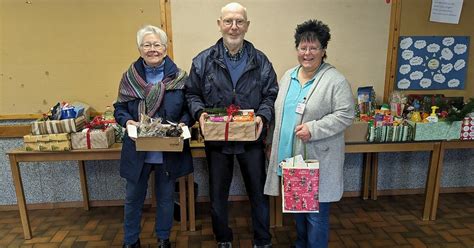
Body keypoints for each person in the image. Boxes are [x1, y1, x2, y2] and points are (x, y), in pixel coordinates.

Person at [185, 2, 278, 248]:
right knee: (217, 195)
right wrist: (200, 114)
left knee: (258, 193)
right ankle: (223, 238)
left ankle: (262, 239)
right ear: (220, 24)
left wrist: (263, 117)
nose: (233, 27)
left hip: (252, 139)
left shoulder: (261, 61)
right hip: (217, 140)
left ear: (247, 26)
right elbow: (192, 94)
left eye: (239, 22)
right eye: (228, 21)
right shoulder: (203, 61)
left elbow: (270, 94)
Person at [264, 19, 355, 248]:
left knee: (315, 214)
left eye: (313, 47)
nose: (307, 53)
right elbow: (279, 113)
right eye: (303, 47)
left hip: (316, 160)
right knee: (299, 210)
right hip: (291, 158)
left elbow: (346, 114)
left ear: (323, 50)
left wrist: (314, 129)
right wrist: (270, 142)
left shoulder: (335, 80)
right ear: (297, 49)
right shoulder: (288, 77)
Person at [114, 25, 193, 248]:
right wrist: (126, 120)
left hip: (167, 148)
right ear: (139, 49)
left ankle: (163, 239)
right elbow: (119, 108)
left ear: (165, 48)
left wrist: (183, 123)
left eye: (157, 44)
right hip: (138, 149)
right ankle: (130, 241)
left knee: (166, 198)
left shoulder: (180, 77)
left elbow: (188, 109)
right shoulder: (129, 78)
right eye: (147, 45)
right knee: (132, 199)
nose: (152, 49)